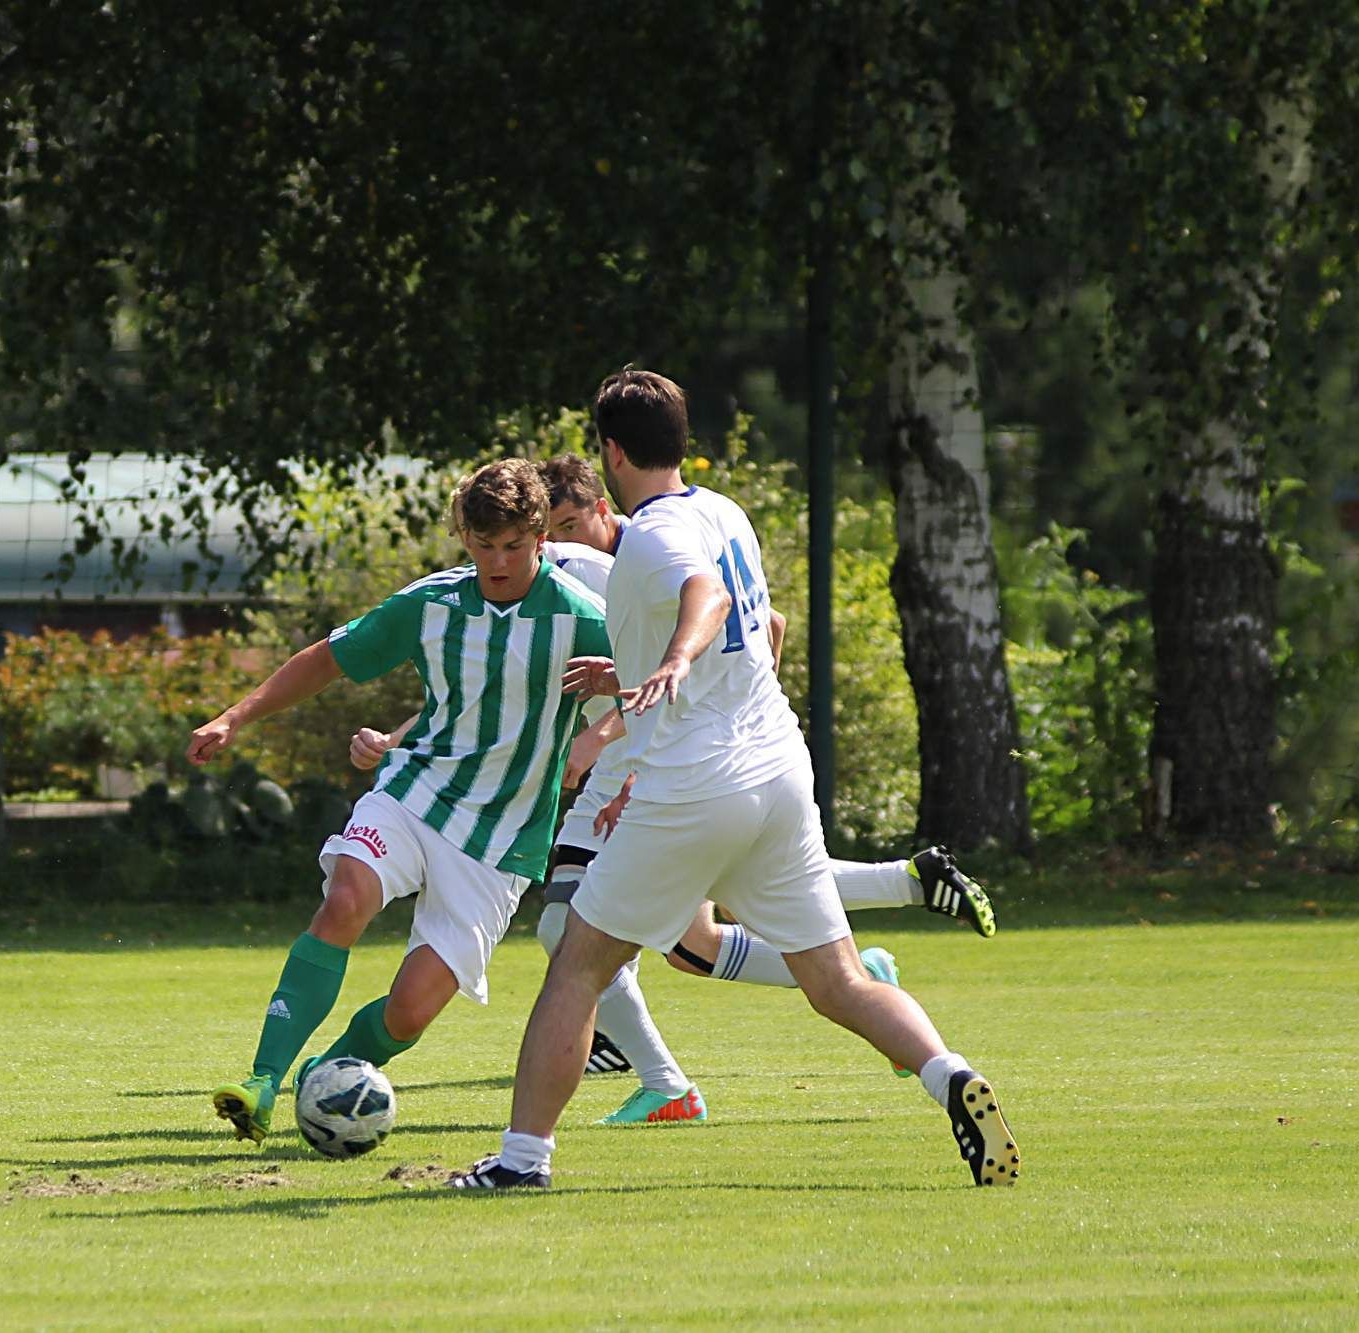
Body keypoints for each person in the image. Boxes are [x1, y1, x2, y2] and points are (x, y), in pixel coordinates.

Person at [451, 369, 1020, 1189]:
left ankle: (520, 1160)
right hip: (777, 772)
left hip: (696, 784)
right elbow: (748, 630)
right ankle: (951, 1073)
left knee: (575, 962)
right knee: (838, 979)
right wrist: (632, 674)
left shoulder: (653, 534)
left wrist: (674, 659)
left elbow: (707, 597)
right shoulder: (725, 510)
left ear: (613, 453)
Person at [540, 453, 997, 1085]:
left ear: (601, 502)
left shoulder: (629, 553)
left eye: (567, 525)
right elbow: (752, 633)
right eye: (550, 532)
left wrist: (623, 731)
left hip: (681, 770)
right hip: (730, 763)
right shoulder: (706, 513)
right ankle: (908, 897)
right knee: (709, 941)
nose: (559, 542)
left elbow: (712, 636)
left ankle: (645, 1085)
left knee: (586, 940)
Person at [191, 458, 609, 1145]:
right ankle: (262, 1081)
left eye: (513, 545)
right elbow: (327, 658)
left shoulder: (582, 617)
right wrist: (235, 717)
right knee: (345, 899)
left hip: (501, 839)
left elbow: (657, 688)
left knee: (410, 1013)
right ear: (464, 537)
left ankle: (325, 1078)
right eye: (483, 545)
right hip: (416, 792)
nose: (498, 562)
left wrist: (609, 744)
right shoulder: (432, 603)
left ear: (541, 538)